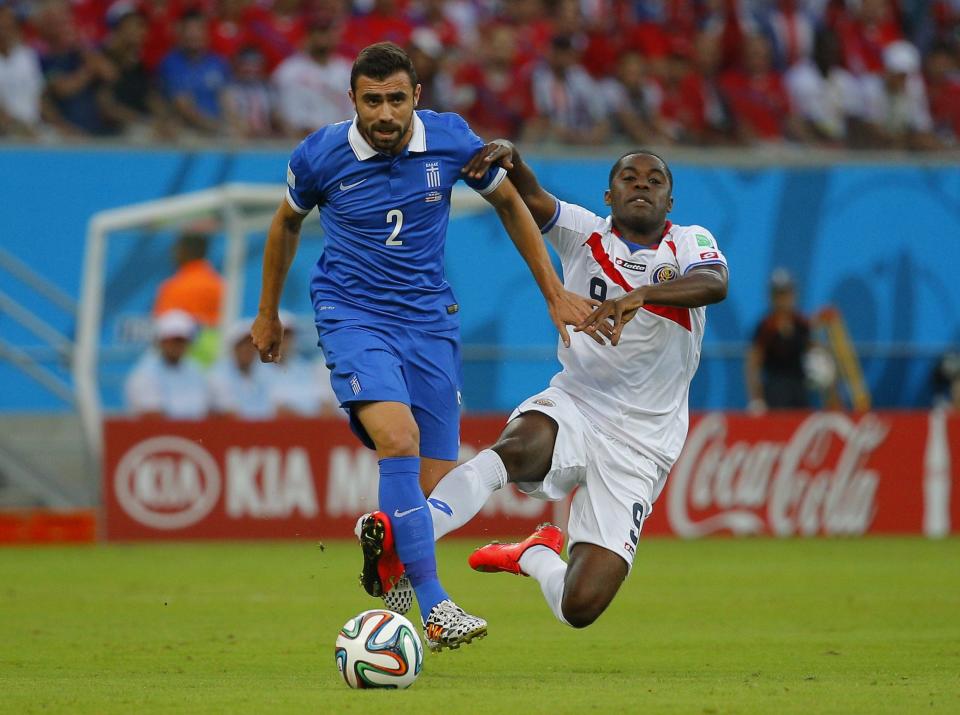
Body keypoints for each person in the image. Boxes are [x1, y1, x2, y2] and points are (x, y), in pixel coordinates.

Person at [250, 42, 592, 651]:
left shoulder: (452, 139)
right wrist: (268, 312)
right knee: (398, 439)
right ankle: (435, 608)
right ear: (352, 99)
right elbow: (285, 223)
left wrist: (552, 293)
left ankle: (393, 569)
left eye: (396, 100)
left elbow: (509, 202)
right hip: (353, 316)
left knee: (432, 489)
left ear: (417, 99)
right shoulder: (320, 155)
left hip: (430, 322)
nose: (385, 114)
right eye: (372, 100)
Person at [366, 143, 728, 629]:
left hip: (644, 443)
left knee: (579, 607)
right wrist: (513, 159)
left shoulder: (687, 242)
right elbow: (529, 195)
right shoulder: (584, 233)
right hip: (578, 403)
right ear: (609, 194)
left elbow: (715, 282)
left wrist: (641, 294)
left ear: (671, 201)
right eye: (629, 177)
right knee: (517, 449)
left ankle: (534, 555)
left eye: (654, 180)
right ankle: (408, 541)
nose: (641, 184)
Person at [153, 230, 224, 367]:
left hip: (184, 357)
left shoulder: (173, 287)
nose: (173, 253)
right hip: (216, 356)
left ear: (186, 250)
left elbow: (163, 330)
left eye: (177, 248)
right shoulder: (219, 284)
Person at [745, 268, 811, 412]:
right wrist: (756, 398)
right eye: (779, 294)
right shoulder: (766, 327)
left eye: (786, 293)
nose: (783, 299)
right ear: (772, 297)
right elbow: (753, 364)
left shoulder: (801, 324)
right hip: (775, 392)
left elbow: (814, 352)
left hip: (800, 390)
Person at [124, 309, 209, 419]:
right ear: (160, 341)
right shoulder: (144, 374)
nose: (177, 346)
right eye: (173, 340)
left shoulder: (196, 371)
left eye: (182, 341)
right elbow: (152, 417)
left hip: (195, 435)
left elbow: (206, 412)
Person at [268, 312, 341, 418]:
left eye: (287, 335)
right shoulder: (257, 369)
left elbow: (326, 403)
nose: (283, 341)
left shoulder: (304, 368)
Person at [208, 319, 275, 419]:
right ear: (233, 348)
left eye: (253, 345)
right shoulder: (218, 375)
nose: (248, 350)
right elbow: (229, 414)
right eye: (243, 345)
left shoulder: (265, 373)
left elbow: (274, 408)